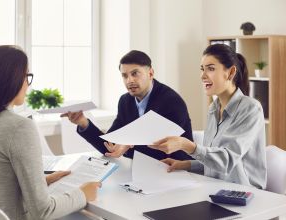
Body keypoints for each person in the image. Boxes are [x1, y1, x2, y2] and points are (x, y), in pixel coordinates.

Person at [0, 45, 101, 220]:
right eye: (26, 77)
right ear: (11, 79)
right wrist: (83, 193)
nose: (27, 85)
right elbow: (43, 212)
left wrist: (41, 181)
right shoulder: (18, 127)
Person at [150, 44, 267, 189]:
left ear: (230, 73)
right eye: (202, 69)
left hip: (245, 194)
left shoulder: (251, 109)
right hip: (215, 189)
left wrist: (185, 145)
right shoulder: (213, 108)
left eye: (210, 69)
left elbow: (227, 160)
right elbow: (214, 161)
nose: (202, 76)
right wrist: (185, 165)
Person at [64, 50, 193, 161]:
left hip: (176, 170)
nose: (129, 80)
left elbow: (164, 147)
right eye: (124, 76)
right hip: (140, 171)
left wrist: (128, 143)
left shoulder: (171, 101)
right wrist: (83, 123)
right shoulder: (125, 101)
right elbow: (110, 146)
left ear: (151, 73)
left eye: (135, 73)